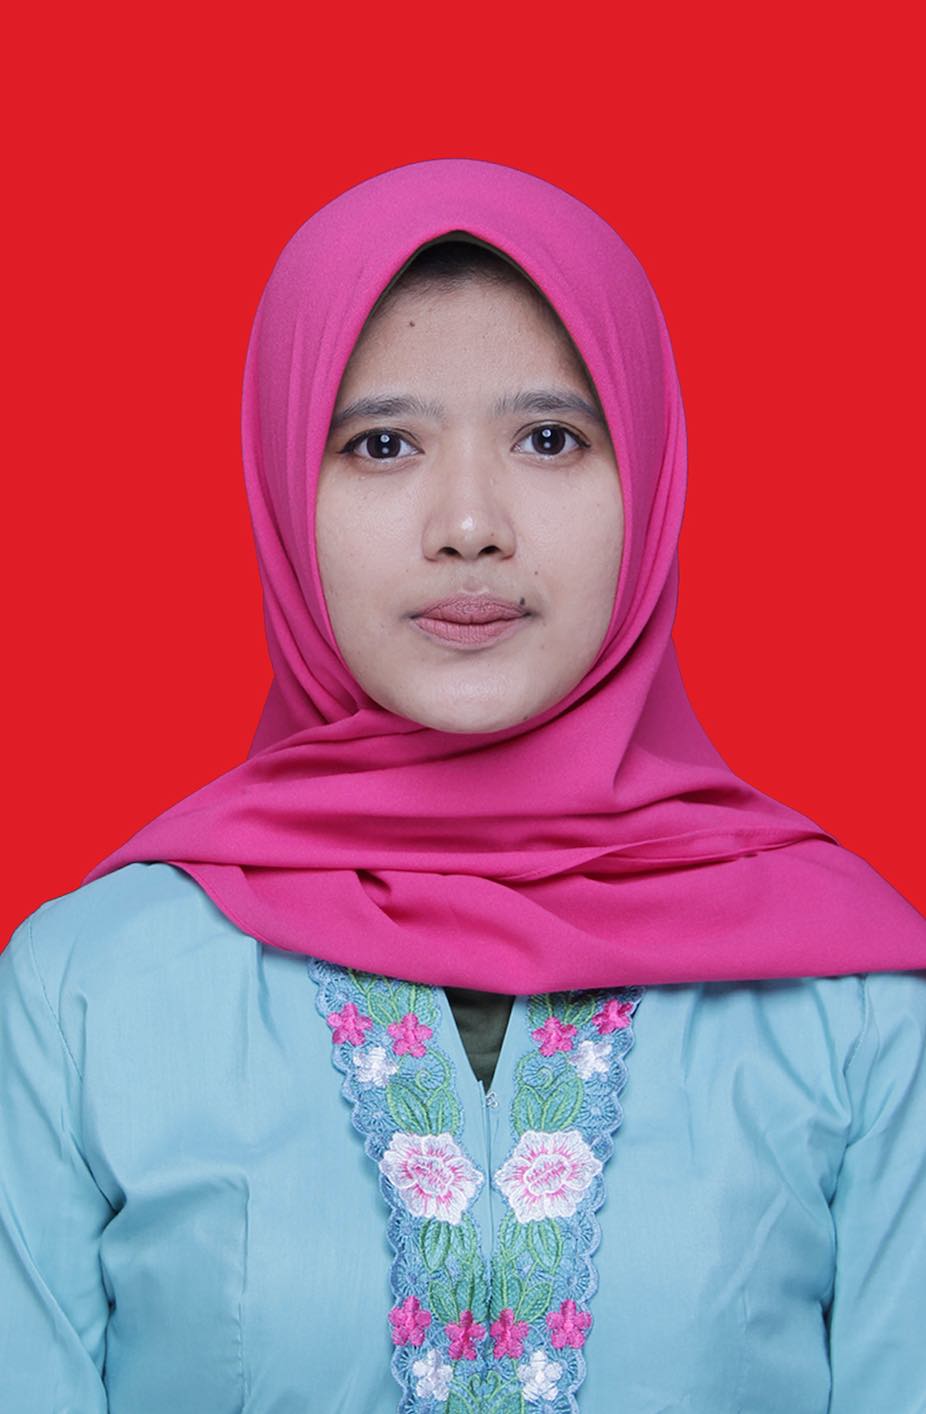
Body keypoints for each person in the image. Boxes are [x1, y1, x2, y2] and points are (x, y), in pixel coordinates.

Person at [1, 157, 924, 1414]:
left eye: (549, 438)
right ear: (283, 486)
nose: (470, 523)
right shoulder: (88, 992)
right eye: (382, 444)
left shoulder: (852, 1001)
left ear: (647, 478)